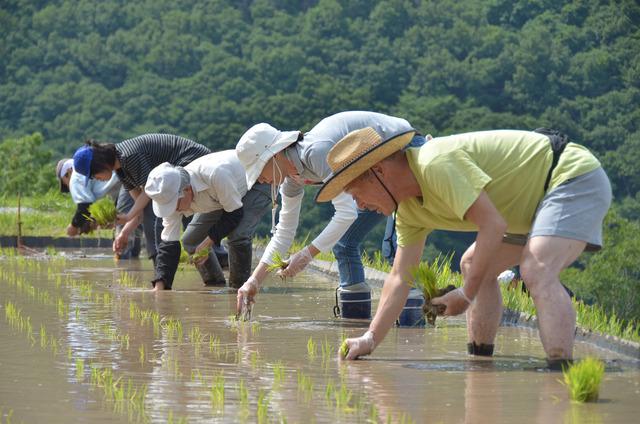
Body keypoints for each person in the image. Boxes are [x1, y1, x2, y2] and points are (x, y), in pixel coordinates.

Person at [316, 127, 611, 367]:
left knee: (535, 270)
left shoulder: (434, 163)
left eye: (356, 193)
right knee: (474, 265)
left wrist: (466, 294)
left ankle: (559, 375)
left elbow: (492, 225)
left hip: (569, 176)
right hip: (525, 212)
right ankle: (479, 361)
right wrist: (370, 339)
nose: (359, 204)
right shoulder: (407, 211)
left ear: (379, 171)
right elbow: (399, 278)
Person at [234, 111, 426, 320]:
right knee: (344, 243)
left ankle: (411, 336)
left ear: (273, 155)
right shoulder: (291, 180)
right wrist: (254, 280)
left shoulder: (315, 153)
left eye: (260, 170)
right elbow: (284, 232)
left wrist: (307, 254)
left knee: (394, 249)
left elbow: (346, 213)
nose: (261, 178)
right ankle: (356, 327)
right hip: (373, 177)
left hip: (402, 150)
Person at [72, 133, 227, 287]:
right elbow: (138, 206)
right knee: (176, 224)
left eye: (92, 175)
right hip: (176, 170)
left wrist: (127, 217)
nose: (95, 179)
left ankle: (165, 281)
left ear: (99, 164)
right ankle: (210, 278)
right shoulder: (121, 169)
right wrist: (124, 233)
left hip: (192, 162)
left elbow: (148, 194)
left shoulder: (128, 157)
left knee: (159, 217)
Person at [143, 151, 271, 291]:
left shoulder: (215, 174)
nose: (174, 211)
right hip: (223, 198)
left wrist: (208, 242)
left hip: (258, 181)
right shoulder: (170, 194)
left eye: (175, 205)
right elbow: (168, 244)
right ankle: (215, 283)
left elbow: (234, 214)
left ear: (186, 190)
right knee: (191, 240)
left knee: (237, 235)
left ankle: (240, 288)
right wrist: (160, 285)